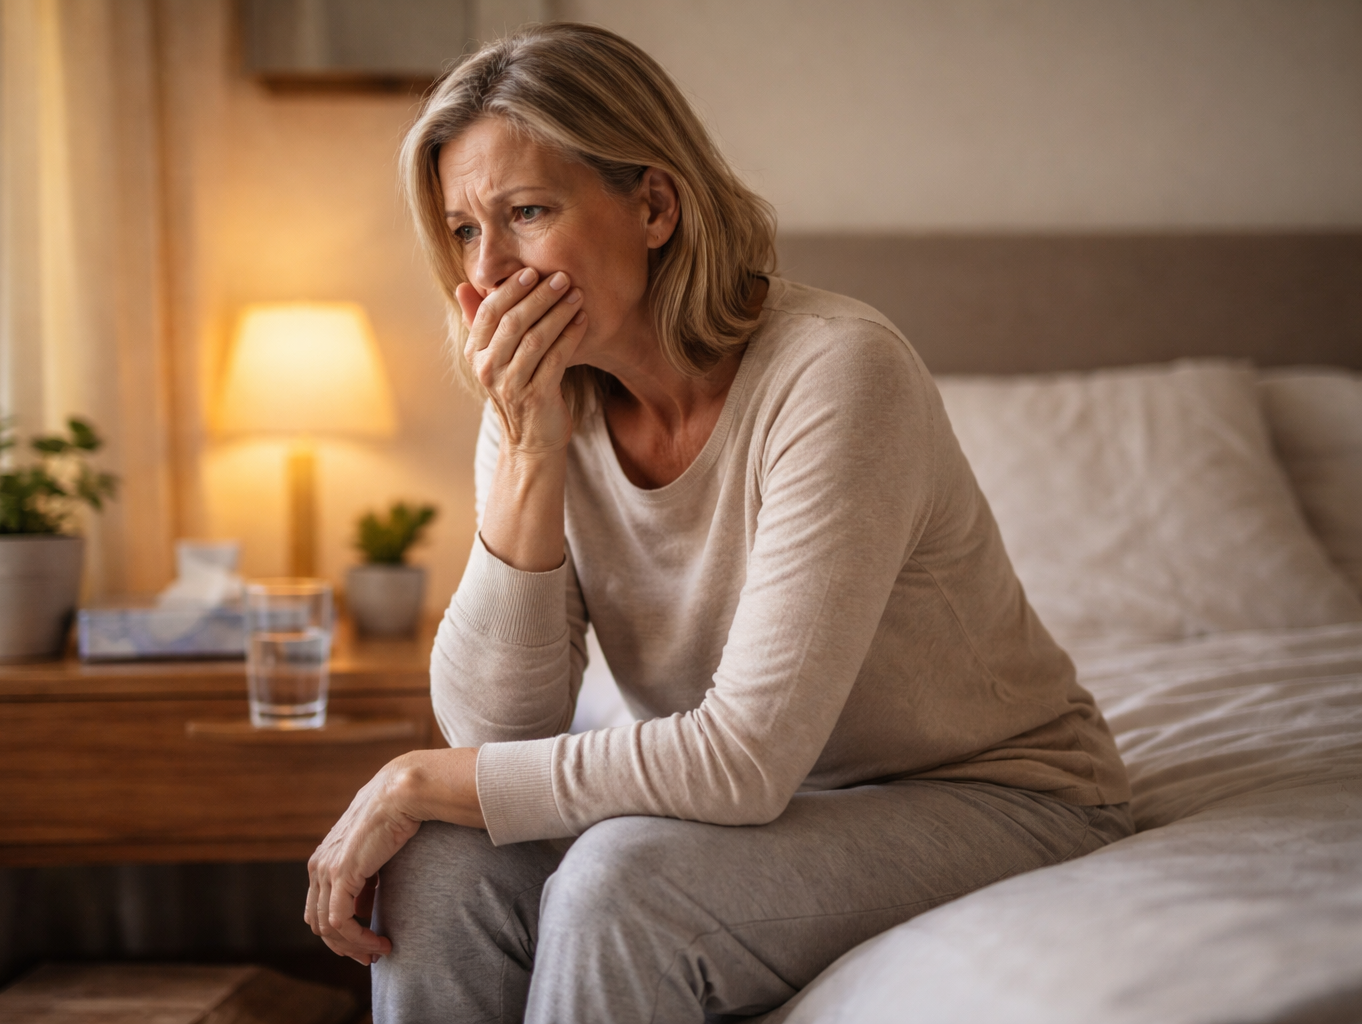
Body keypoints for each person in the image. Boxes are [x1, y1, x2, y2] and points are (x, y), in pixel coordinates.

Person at [304, 23, 1132, 1024]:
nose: (489, 274)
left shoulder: (836, 372)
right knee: (437, 862)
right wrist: (530, 455)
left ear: (654, 204)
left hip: (998, 796)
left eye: (526, 212)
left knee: (624, 884)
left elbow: (743, 760)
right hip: (747, 812)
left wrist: (411, 773)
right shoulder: (538, 396)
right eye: (466, 230)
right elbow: (496, 734)